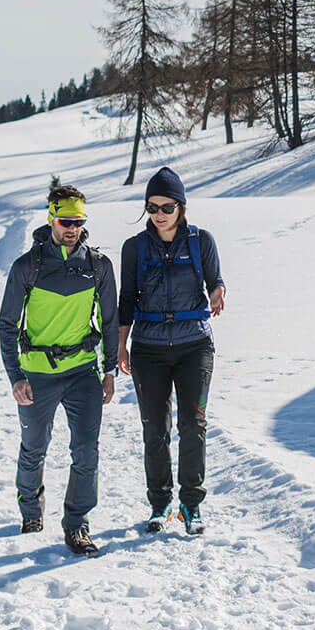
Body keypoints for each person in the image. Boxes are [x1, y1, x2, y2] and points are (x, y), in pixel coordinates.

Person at [0, 179, 120, 558]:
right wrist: (16, 376)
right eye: (65, 221)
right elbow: (7, 324)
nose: (72, 229)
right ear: (51, 219)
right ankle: (31, 511)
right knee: (35, 447)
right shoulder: (26, 268)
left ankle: (77, 524)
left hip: (82, 372)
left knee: (86, 450)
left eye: (78, 221)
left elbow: (111, 320)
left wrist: (109, 369)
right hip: (37, 375)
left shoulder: (98, 266)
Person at [117, 167, 224, 536]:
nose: (159, 214)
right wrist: (121, 345)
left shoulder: (201, 241)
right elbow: (127, 299)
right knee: (154, 430)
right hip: (148, 348)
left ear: (181, 206)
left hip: (194, 344)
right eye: (152, 207)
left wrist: (217, 291)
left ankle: (191, 504)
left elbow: (215, 280)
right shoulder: (134, 248)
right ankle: (159, 503)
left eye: (166, 206)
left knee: (193, 425)